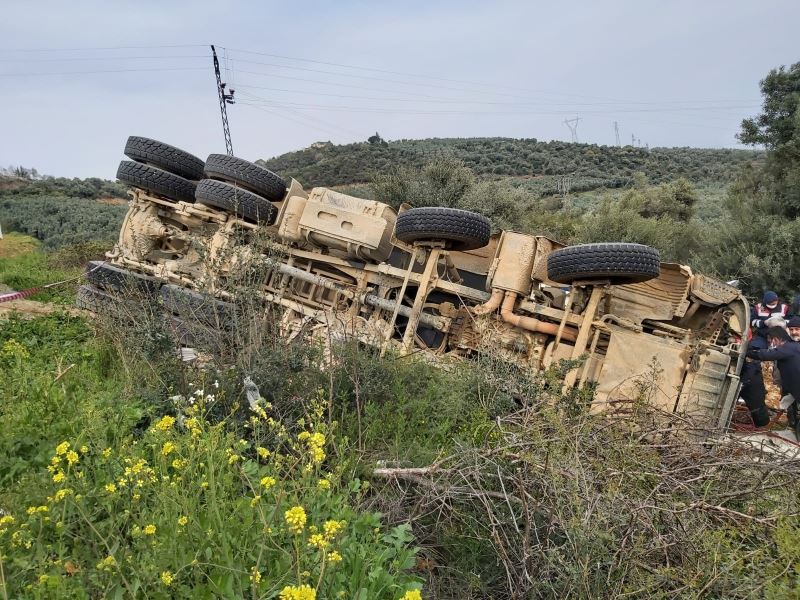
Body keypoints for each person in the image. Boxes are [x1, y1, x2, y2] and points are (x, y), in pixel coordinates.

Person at [747, 326, 800, 437]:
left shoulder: (788, 348)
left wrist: (746, 351)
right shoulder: (793, 347)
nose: (771, 344)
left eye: (771, 341)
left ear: (776, 339)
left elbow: (766, 355)